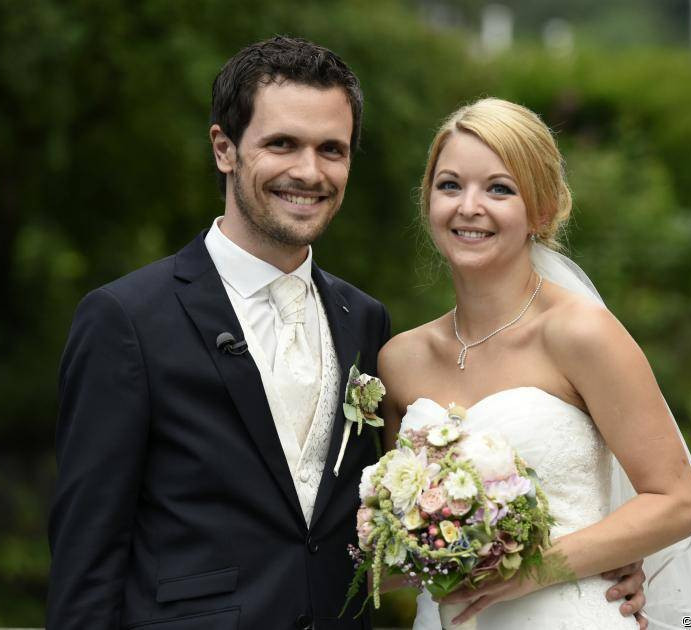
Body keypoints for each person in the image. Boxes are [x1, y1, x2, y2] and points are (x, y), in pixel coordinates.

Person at [45, 36, 649, 629]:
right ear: (224, 148)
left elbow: (381, 532)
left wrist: (577, 556)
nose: (309, 172)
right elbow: (86, 560)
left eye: (331, 149)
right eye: (282, 144)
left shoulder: (364, 323)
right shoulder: (125, 320)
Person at [378, 98, 691, 629]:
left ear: (539, 210)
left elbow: (676, 503)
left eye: (499, 188)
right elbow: (388, 549)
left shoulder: (580, 333)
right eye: (450, 186)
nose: (469, 206)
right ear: (428, 203)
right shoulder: (400, 360)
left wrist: (539, 568)